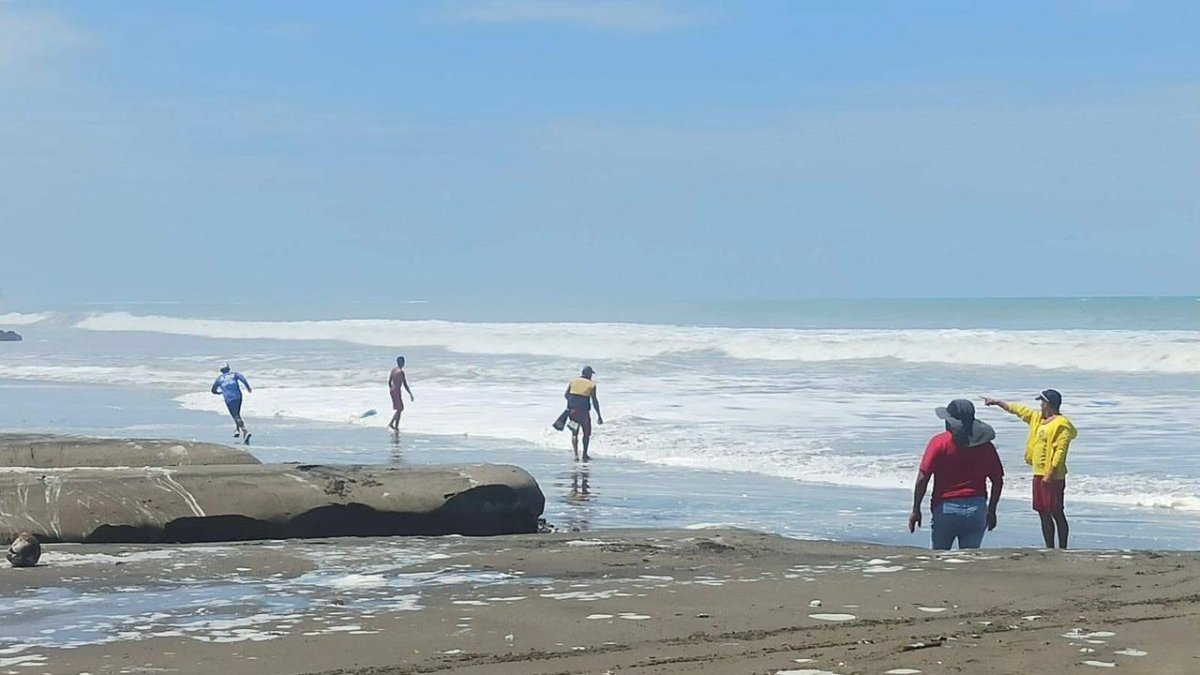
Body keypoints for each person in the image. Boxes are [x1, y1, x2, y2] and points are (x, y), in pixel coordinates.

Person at [983, 389, 1077, 549]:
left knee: (1056, 512)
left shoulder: (1062, 424)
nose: (1040, 405)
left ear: (1048, 404)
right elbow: (1019, 410)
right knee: (1042, 512)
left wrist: (1051, 472)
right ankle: (1049, 547)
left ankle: (1063, 548)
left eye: (1042, 402)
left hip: (1053, 475)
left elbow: (1060, 451)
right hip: (1038, 473)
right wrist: (998, 402)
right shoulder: (1038, 419)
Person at [909, 399, 1004, 550]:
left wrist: (916, 509)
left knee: (940, 558)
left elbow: (923, 478)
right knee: (969, 561)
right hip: (976, 508)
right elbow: (997, 480)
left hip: (946, 508)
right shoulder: (985, 445)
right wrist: (991, 510)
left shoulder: (939, 443)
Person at [552, 366, 603, 461]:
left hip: (572, 411)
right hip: (584, 412)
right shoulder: (592, 384)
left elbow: (566, 395)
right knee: (586, 433)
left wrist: (573, 403)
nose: (591, 375)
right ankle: (584, 455)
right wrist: (599, 416)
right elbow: (595, 401)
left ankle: (576, 455)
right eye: (591, 374)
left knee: (574, 433)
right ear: (588, 374)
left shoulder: (573, 381)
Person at [211, 363, 252, 444]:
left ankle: (245, 431)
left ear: (221, 370)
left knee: (235, 415)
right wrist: (248, 388)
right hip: (238, 397)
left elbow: (213, 390)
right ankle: (237, 430)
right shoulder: (234, 374)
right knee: (237, 414)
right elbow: (243, 379)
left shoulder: (219, 379)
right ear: (229, 368)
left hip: (229, 399)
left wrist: (219, 393)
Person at [388, 356, 414, 432]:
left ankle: (393, 424)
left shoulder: (393, 370)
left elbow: (389, 382)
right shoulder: (401, 372)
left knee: (399, 409)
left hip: (392, 389)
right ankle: (394, 425)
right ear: (403, 363)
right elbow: (405, 384)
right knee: (400, 409)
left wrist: (391, 389)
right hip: (396, 390)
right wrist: (410, 393)